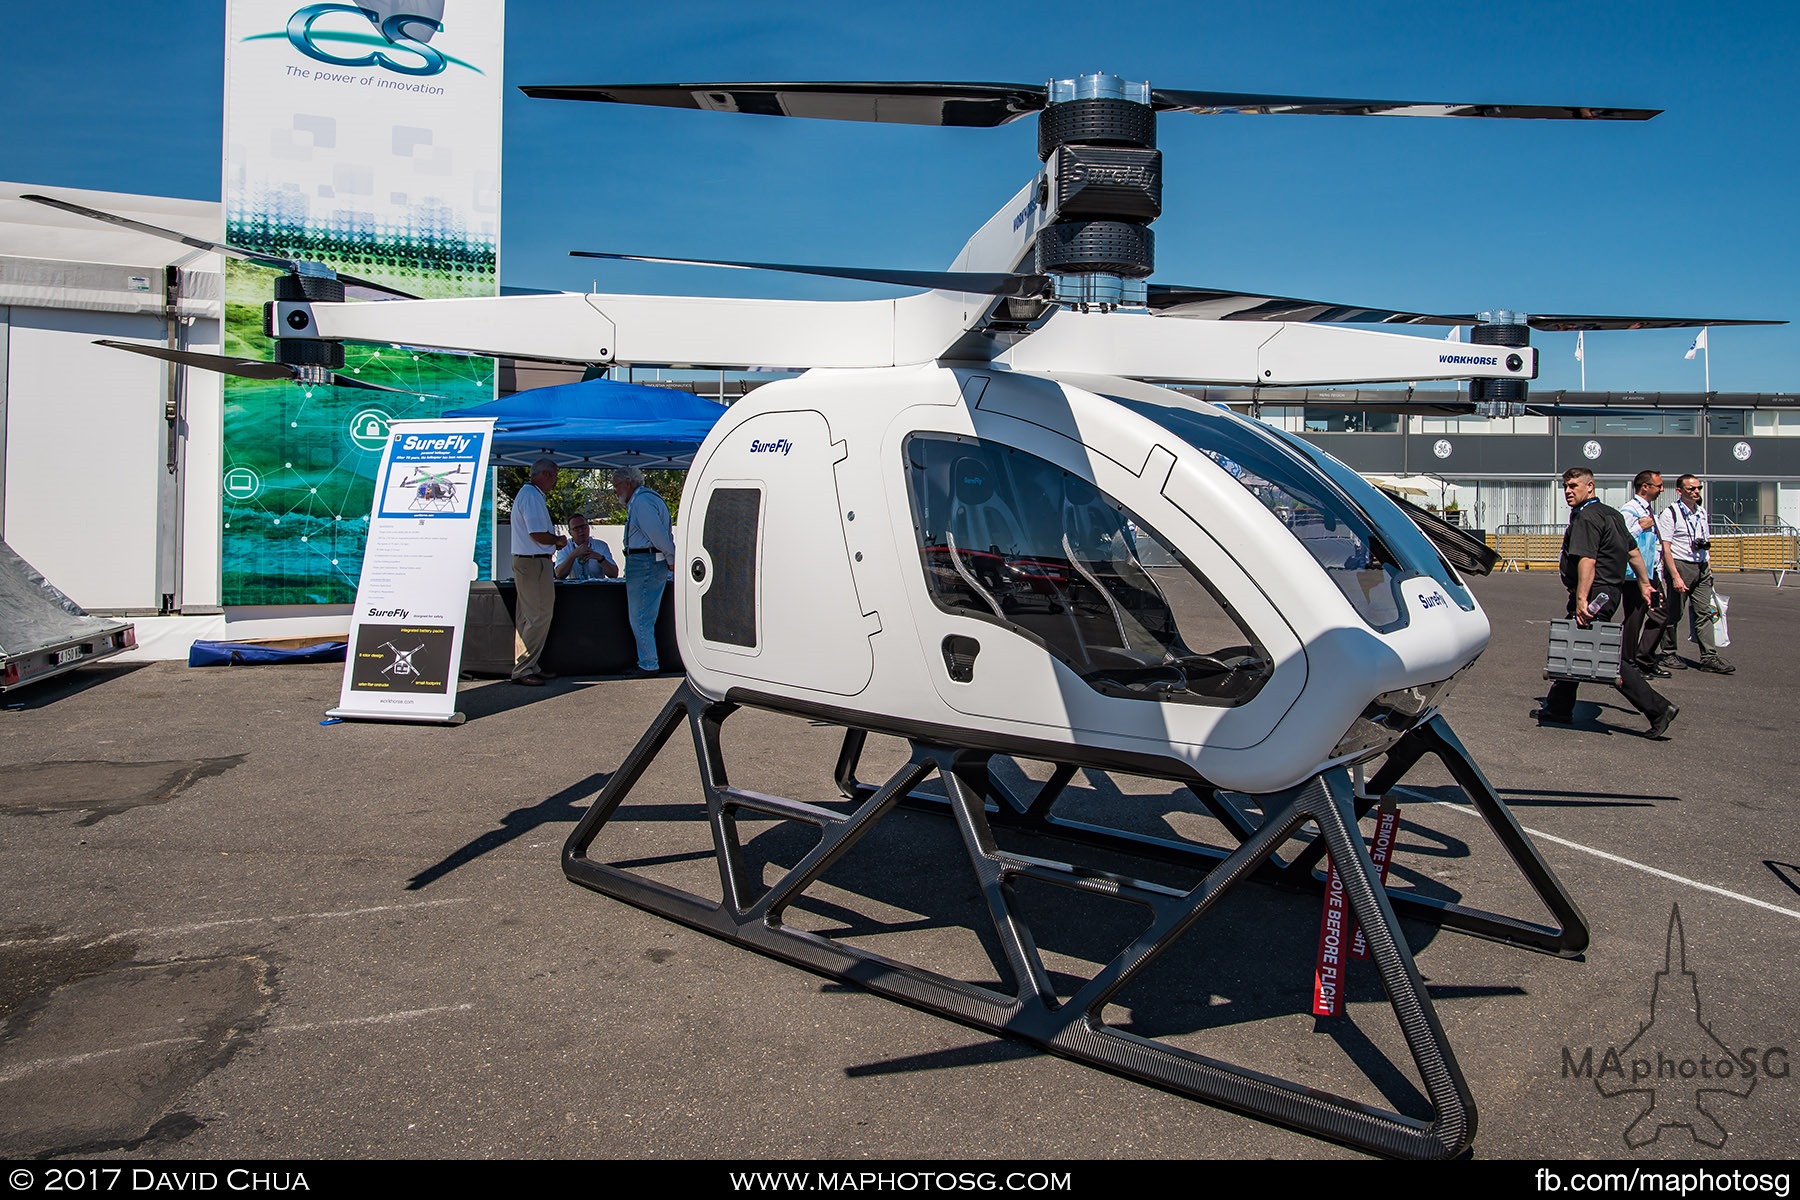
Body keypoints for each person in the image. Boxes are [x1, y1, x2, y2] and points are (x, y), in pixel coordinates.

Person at [1534, 467, 1678, 738]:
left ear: (1590, 487)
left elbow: (1588, 560)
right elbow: (1633, 551)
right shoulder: (1610, 513)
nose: (1568, 491)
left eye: (1574, 485)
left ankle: (1658, 708)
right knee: (1574, 647)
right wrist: (1645, 583)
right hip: (1608, 592)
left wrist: (1581, 600)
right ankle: (1558, 707)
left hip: (1594, 594)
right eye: (1565, 486)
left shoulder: (1587, 517)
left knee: (1604, 655)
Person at [1655, 474, 1734, 675]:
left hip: (1701, 566)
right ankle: (1669, 652)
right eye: (1691, 489)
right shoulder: (1670, 514)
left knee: (1705, 613)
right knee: (1674, 613)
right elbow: (1666, 548)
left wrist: (1708, 567)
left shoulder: (1701, 512)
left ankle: (1709, 657)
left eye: (1698, 488)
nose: (1696, 492)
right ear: (1680, 491)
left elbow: (1704, 540)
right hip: (1681, 565)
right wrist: (1675, 576)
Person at [612, 465, 676, 675]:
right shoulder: (646, 499)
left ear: (628, 483)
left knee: (640, 616)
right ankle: (647, 660)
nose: (616, 491)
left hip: (645, 562)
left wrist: (671, 557)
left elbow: (658, 536)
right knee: (643, 616)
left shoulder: (642, 502)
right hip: (648, 560)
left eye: (617, 486)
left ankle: (648, 663)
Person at [509, 458, 566, 686]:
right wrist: (558, 541)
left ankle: (528, 665)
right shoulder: (531, 496)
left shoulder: (528, 495)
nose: (555, 482)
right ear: (545, 475)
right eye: (554, 476)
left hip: (528, 561)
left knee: (527, 616)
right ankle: (523, 667)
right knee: (539, 615)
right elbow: (537, 534)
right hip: (534, 562)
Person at [1619, 470, 1671, 678]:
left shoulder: (1649, 510)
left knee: (1660, 613)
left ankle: (1643, 657)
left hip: (1650, 571)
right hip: (1634, 574)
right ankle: (1629, 663)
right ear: (1645, 487)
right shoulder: (1630, 510)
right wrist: (1640, 527)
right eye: (1658, 486)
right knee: (1635, 617)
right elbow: (1621, 537)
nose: (1661, 489)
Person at [554, 513, 619, 581]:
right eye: (576, 528)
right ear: (570, 533)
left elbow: (614, 574)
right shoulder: (565, 547)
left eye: (583, 526)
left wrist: (600, 558)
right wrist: (573, 555)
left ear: (588, 527)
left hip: (597, 587)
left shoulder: (601, 546)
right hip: (573, 588)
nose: (581, 531)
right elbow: (559, 575)